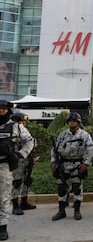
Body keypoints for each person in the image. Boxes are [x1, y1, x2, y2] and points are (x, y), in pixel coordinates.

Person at [50, 112, 93, 222]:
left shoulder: (84, 135)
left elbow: (90, 150)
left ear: (78, 122)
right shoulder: (63, 134)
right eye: (69, 121)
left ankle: (77, 211)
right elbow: (54, 149)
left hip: (77, 165)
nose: (71, 123)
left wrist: (86, 163)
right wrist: (54, 162)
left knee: (77, 188)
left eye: (73, 121)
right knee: (61, 188)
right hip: (63, 164)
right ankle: (61, 211)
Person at [0, 100, 34, 241]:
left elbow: (29, 141)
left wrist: (20, 154)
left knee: (3, 198)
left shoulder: (15, 127)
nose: (1, 111)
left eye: (3, 109)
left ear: (8, 110)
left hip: (4, 166)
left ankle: (2, 228)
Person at [10, 113, 37, 215]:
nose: (24, 123)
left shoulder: (21, 129)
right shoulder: (14, 128)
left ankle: (24, 202)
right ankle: (15, 205)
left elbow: (30, 143)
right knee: (17, 182)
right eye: (22, 121)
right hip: (18, 159)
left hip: (27, 158)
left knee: (27, 180)